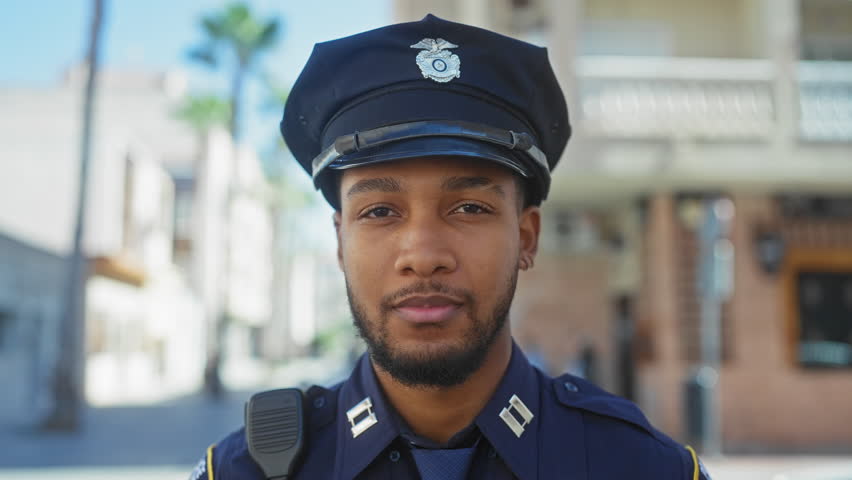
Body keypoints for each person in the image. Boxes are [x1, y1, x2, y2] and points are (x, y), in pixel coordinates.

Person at [190, 14, 712, 480]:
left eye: (469, 208)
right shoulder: (246, 470)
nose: (422, 254)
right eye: (379, 212)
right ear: (340, 242)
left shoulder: (639, 466)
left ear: (526, 237)